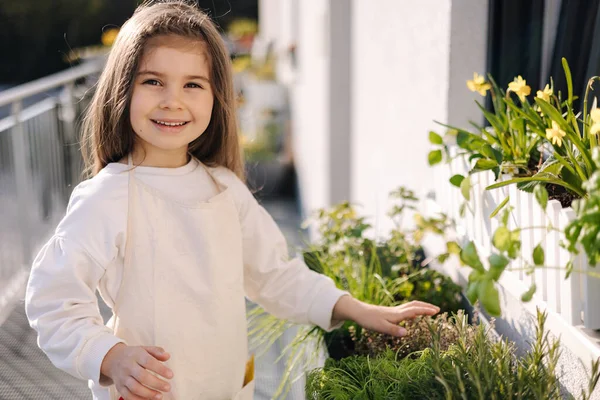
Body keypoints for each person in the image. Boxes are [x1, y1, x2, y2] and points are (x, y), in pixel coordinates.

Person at [24, 1, 440, 399]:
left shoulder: (224, 187)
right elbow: (53, 301)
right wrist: (111, 357)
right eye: (153, 81)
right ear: (122, 88)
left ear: (216, 97)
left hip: (229, 388)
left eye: (193, 84)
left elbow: (275, 274)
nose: (173, 99)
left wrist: (355, 308)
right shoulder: (108, 197)